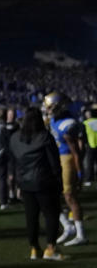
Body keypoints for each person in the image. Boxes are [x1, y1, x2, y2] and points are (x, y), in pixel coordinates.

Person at [10, 108, 64, 261]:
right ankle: (51, 248)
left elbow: (14, 160)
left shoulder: (15, 138)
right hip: (44, 182)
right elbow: (54, 162)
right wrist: (58, 180)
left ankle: (34, 248)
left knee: (31, 217)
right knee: (51, 215)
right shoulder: (45, 137)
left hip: (25, 182)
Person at [44, 93, 87, 246]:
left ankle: (81, 233)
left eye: (50, 106)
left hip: (67, 159)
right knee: (52, 195)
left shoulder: (68, 123)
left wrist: (80, 171)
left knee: (69, 196)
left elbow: (76, 151)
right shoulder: (54, 120)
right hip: (56, 159)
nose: (48, 110)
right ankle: (68, 227)